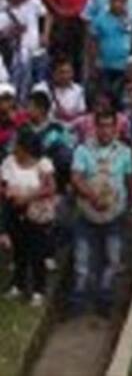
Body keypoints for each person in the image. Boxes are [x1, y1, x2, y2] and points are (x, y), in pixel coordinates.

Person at [70, 108, 132, 316]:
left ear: (116, 127)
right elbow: (76, 178)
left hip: (115, 213)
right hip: (87, 211)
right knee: (82, 260)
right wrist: (92, 197)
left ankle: (105, 299)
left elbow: (130, 181)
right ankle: (78, 302)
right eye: (102, 125)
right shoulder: (82, 150)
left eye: (110, 125)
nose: (106, 130)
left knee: (113, 258)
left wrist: (131, 207)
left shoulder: (125, 152)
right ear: (95, 127)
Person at [0, 127, 56, 305]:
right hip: (14, 212)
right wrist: (8, 193)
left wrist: (29, 196)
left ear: (26, 148)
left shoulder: (43, 164)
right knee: (19, 252)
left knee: (37, 253)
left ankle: (39, 290)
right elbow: (2, 184)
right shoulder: (9, 162)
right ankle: (18, 285)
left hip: (36, 213)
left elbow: (51, 188)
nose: (13, 147)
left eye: (17, 144)